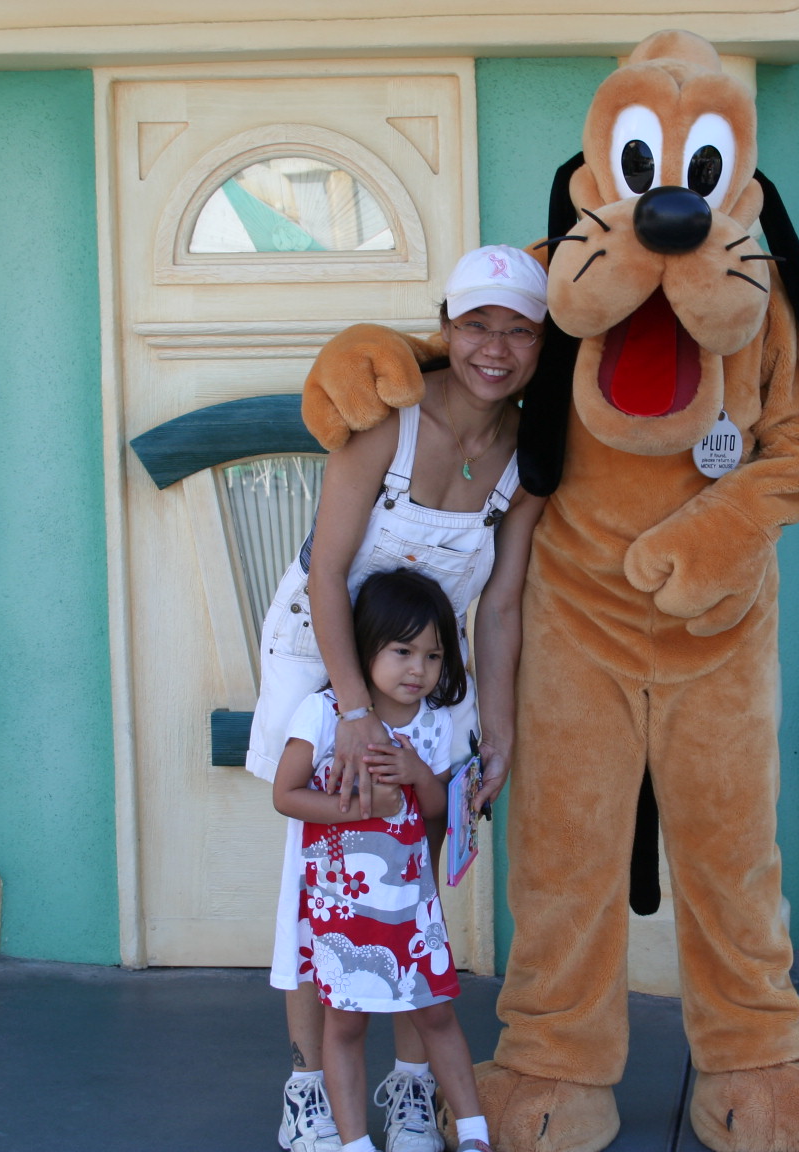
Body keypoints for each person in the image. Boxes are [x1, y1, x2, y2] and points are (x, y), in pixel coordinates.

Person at [245, 244, 548, 1152]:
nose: (495, 348)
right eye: (477, 325)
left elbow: (499, 606)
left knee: (414, 868)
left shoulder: (529, 456)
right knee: (323, 873)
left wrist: (497, 731)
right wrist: (350, 712)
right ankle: (309, 1090)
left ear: (542, 343)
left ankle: (414, 1088)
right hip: (324, 656)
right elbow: (328, 572)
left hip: (427, 671)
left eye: (519, 331)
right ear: (446, 328)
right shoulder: (390, 425)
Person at [272, 568, 491, 1152]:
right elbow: (286, 795)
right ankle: (354, 1144)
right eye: (402, 651)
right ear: (365, 646)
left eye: (433, 655)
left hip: (411, 910)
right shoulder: (322, 714)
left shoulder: (434, 724)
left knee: (436, 1014)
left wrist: (419, 775)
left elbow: (439, 810)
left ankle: (474, 1134)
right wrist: (360, 810)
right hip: (342, 910)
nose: (418, 669)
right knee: (345, 1024)